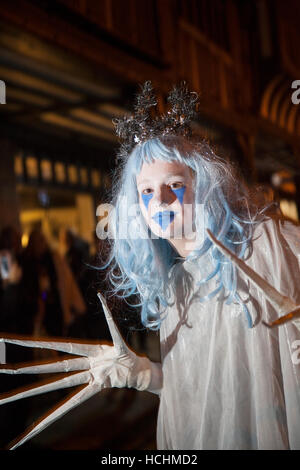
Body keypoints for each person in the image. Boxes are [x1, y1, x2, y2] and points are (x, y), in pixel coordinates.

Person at [1, 82, 300, 450]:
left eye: (173, 183)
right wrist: (147, 375)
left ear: (202, 184)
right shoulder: (176, 283)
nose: (158, 199)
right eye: (145, 191)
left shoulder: (265, 244)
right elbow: (200, 397)